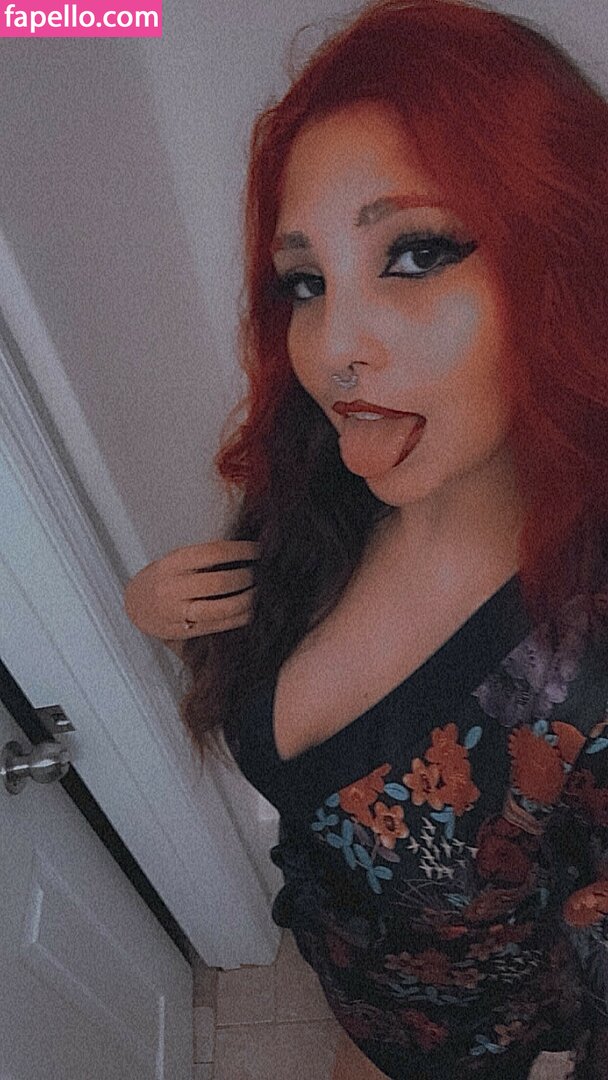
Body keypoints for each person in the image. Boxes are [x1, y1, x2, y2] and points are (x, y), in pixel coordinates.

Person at [123, 0, 608, 1075]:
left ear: (567, 260)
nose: (332, 346)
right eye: (306, 282)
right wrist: (152, 608)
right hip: (354, 1000)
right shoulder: (324, 499)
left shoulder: (584, 666)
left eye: (415, 253)